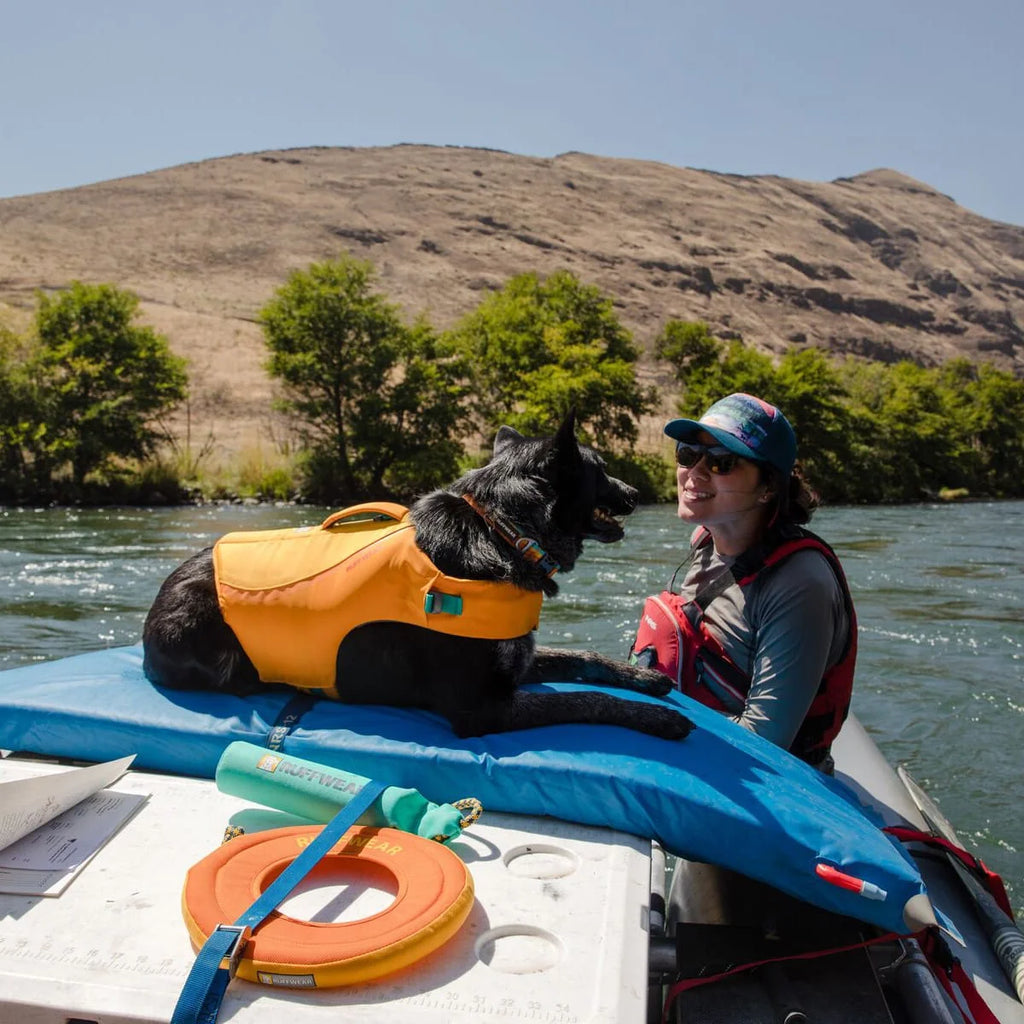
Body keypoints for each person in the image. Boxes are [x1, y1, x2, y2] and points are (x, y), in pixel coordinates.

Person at [630, 392, 856, 771]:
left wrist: (645, 723)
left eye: (722, 462)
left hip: (767, 781)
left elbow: (764, 744)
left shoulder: (800, 584)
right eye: (688, 454)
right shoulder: (706, 538)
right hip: (692, 747)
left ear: (767, 487)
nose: (695, 473)